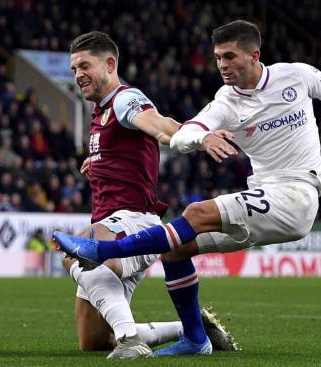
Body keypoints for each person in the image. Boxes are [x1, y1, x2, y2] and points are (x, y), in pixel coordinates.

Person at [55, 21, 321, 356]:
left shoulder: (295, 75)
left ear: (254, 55)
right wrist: (201, 136)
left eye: (229, 56)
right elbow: (185, 132)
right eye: (217, 58)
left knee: (195, 213)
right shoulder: (226, 101)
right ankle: (196, 338)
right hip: (265, 193)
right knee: (176, 250)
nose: (221, 64)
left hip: (297, 191)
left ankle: (104, 252)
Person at [59, 31, 237, 360]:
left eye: (84, 65)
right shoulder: (100, 113)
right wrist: (96, 164)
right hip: (111, 221)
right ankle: (192, 326)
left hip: (134, 221)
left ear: (110, 64)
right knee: (93, 341)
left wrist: (198, 137)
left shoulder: (126, 99)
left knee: (74, 252)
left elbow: (160, 125)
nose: (78, 74)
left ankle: (130, 340)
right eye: (73, 69)